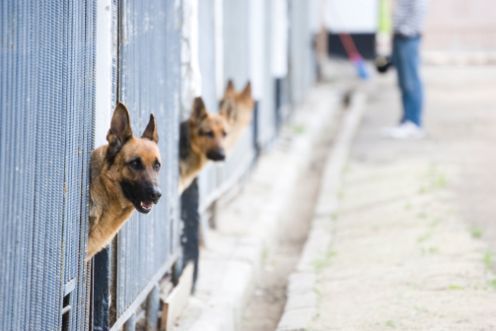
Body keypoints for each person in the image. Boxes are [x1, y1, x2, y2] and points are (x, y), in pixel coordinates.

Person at [384, 0, 427, 139]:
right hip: (399, 36)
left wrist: (406, 30)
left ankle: (413, 122)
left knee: (411, 82)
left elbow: (419, 10)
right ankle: (405, 121)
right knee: (403, 82)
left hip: (408, 37)